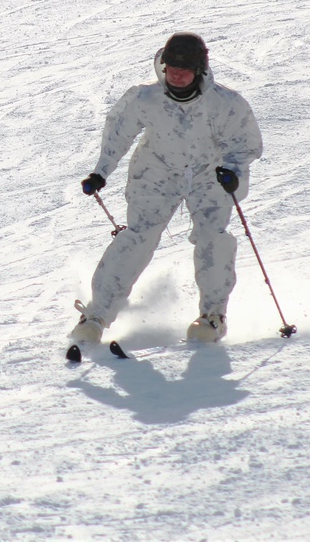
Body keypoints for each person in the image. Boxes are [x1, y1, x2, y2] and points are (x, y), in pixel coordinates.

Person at [70, 32, 263, 349]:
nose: (176, 73)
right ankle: (95, 317)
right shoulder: (145, 99)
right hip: (156, 171)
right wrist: (101, 172)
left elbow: (246, 146)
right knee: (138, 236)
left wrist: (233, 174)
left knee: (212, 237)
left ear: (200, 69)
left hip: (209, 173)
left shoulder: (225, 104)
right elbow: (118, 133)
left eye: (185, 67)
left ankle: (212, 317)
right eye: (171, 65)